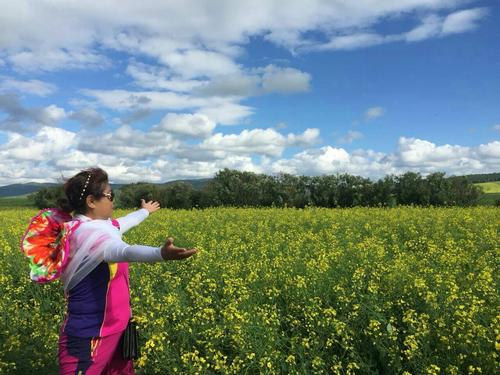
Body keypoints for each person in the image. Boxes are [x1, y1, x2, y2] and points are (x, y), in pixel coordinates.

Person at [56, 167, 197, 374]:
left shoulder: (100, 226)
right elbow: (122, 251)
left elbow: (123, 223)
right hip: (91, 334)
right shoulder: (86, 235)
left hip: (118, 328)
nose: (113, 200)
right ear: (91, 201)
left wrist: (144, 211)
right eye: (110, 195)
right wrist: (160, 254)